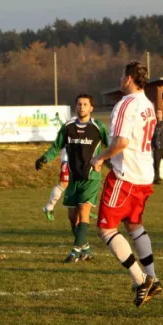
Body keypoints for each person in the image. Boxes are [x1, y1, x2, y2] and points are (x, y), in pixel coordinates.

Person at [90, 60, 162, 308]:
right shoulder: (148, 104)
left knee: (106, 229)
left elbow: (121, 142)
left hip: (126, 175)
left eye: (122, 74)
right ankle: (153, 276)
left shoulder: (126, 104)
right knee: (134, 225)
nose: (120, 78)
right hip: (145, 175)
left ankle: (142, 280)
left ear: (129, 77)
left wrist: (100, 157)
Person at [36, 94, 109, 263]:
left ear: (91, 108)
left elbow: (111, 146)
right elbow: (56, 146)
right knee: (72, 216)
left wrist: (103, 160)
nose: (82, 107)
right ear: (75, 107)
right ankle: (86, 249)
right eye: (79, 104)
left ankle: (75, 251)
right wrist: (44, 158)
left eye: (85, 104)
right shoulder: (68, 127)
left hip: (91, 177)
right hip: (73, 177)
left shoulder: (98, 127)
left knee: (84, 211)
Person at [41, 149, 69, 221]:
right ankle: (49, 207)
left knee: (81, 183)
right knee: (63, 184)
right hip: (68, 159)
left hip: (83, 160)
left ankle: (84, 209)